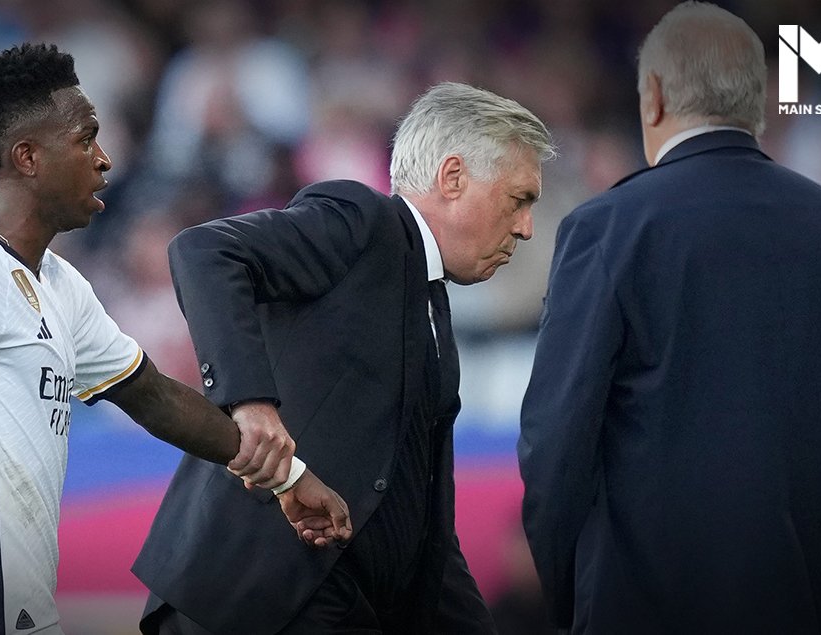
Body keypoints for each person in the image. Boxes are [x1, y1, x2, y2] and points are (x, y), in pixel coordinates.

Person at [0, 43, 352, 635]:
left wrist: (287, 476)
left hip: (21, 616)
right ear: (27, 157)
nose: (104, 160)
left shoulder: (60, 283)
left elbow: (153, 397)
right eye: (85, 140)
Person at [517, 3, 821, 633]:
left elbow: (556, 442)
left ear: (655, 97)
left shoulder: (607, 228)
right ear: (758, 103)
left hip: (655, 606)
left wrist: (568, 596)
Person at [133, 82, 555, 634]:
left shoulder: (432, 301)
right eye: (519, 199)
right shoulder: (364, 220)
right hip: (247, 594)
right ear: (453, 177)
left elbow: (420, 521)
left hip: (334, 601)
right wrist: (249, 403)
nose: (526, 228)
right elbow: (205, 251)